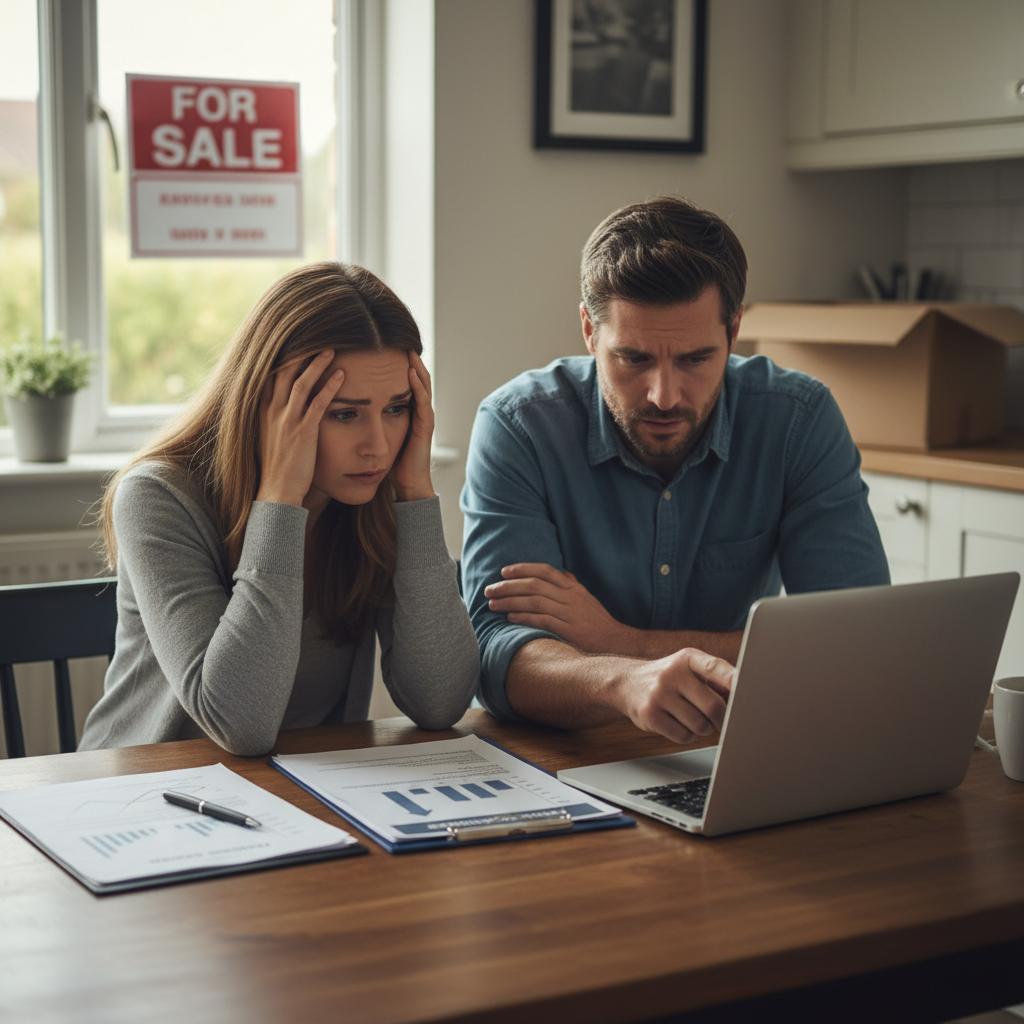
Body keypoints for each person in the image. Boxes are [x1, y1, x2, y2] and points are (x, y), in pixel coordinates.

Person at [460, 196, 889, 746]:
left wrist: (618, 640)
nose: (664, 396)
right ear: (590, 331)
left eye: (694, 359)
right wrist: (621, 681)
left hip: (732, 749)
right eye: (634, 359)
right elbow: (498, 659)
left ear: (733, 332)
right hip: (566, 753)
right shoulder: (519, 426)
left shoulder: (797, 420)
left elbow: (855, 641)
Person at [80, 262, 478, 755]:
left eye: (396, 408)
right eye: (344, 414)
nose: (377, 445)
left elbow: (440, 702)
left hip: (306, 797)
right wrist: (280, 502)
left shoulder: (372, 499)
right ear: (270, 406)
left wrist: (416, 493)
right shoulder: (157, 497)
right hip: (150, 796)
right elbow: (238, 724)